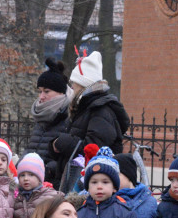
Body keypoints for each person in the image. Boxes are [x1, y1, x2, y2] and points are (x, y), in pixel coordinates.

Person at [50, 52, 130, 187]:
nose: (72, 88)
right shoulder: (85, 108)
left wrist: (62, 142)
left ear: (83, 85)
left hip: (88, 183)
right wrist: (56, 144)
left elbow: (93, 148)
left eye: (74, 84)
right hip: (76, 179)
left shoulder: (100, 110)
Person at [23, 59, 72, 182]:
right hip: (32, 179)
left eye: (47, 91)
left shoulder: (70, 117)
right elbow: (33, 147)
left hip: (53, 183)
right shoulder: (41, 116)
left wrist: (48, 170)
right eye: (40, 91)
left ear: (60, 92)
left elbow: (67, 157)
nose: (41, 97)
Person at [13, 153, 61, 218]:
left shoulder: (49, 197)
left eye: (31, 174)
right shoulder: (16, 198)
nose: (26, 178)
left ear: (40, 177)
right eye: (22, 175)